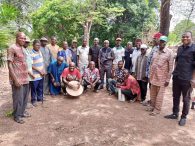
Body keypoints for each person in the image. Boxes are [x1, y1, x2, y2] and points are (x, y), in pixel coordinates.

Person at [165, 32, 195, 126]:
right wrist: (175, 71)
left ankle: (183, 117)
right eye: (183, 36)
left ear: (191, 37)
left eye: (187, 36)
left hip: (187, 78)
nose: (185, 38)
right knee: (175, 96)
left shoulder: (194, 48)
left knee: (186, 99)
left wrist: (193, 79)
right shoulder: (180, 48)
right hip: (177, 77)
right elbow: (177, 60)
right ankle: (175, 113)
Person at [7, 32, 30, 124]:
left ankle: (22, 112)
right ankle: (17, 116)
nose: (23, 40)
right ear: (16, 38)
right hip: (17, 78)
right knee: (18, 98)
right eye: (22, 38)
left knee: (24, 97)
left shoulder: (22, 48)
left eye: (24, 38)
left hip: (25, 77)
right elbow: (9, 65)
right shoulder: (12, 48)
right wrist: (15, 79)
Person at [148, 36, 174, 116]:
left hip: (162, 78)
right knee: (152, 94)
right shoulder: (156, 51)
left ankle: (157, 110)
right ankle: (152, 106)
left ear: (166, 42)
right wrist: (150, 75)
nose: (162, 43)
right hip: (153, 77)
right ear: (158, 42)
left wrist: (167, 79)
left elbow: (170, 67)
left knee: (159, 95)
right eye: (160, 41)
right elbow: (152, 64)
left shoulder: (169, 52)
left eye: (163, 41)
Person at [30, 40, 45, 106]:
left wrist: (43, 70)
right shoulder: (31, 53)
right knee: (34, 88)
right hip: (35, 75)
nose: (38, 47)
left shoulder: (40, 52)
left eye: (39, 45)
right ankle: (34, 100)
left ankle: (39, 98)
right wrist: (39, 71)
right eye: (37, 45)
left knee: (40, 87)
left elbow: (42, 62)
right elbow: (31, 65)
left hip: (41, 74)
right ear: (33, 45)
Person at [23, 37, 35, 109]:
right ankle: (25, 103)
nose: (27, 43)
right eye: (26, 42)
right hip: (26, 73)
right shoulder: (22, 50)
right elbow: (23, 64)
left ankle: (26, 102)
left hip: (30, 72)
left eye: (28, 42)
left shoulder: (27, 50)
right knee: (25, 88)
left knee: (28, 88)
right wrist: (30, 73)